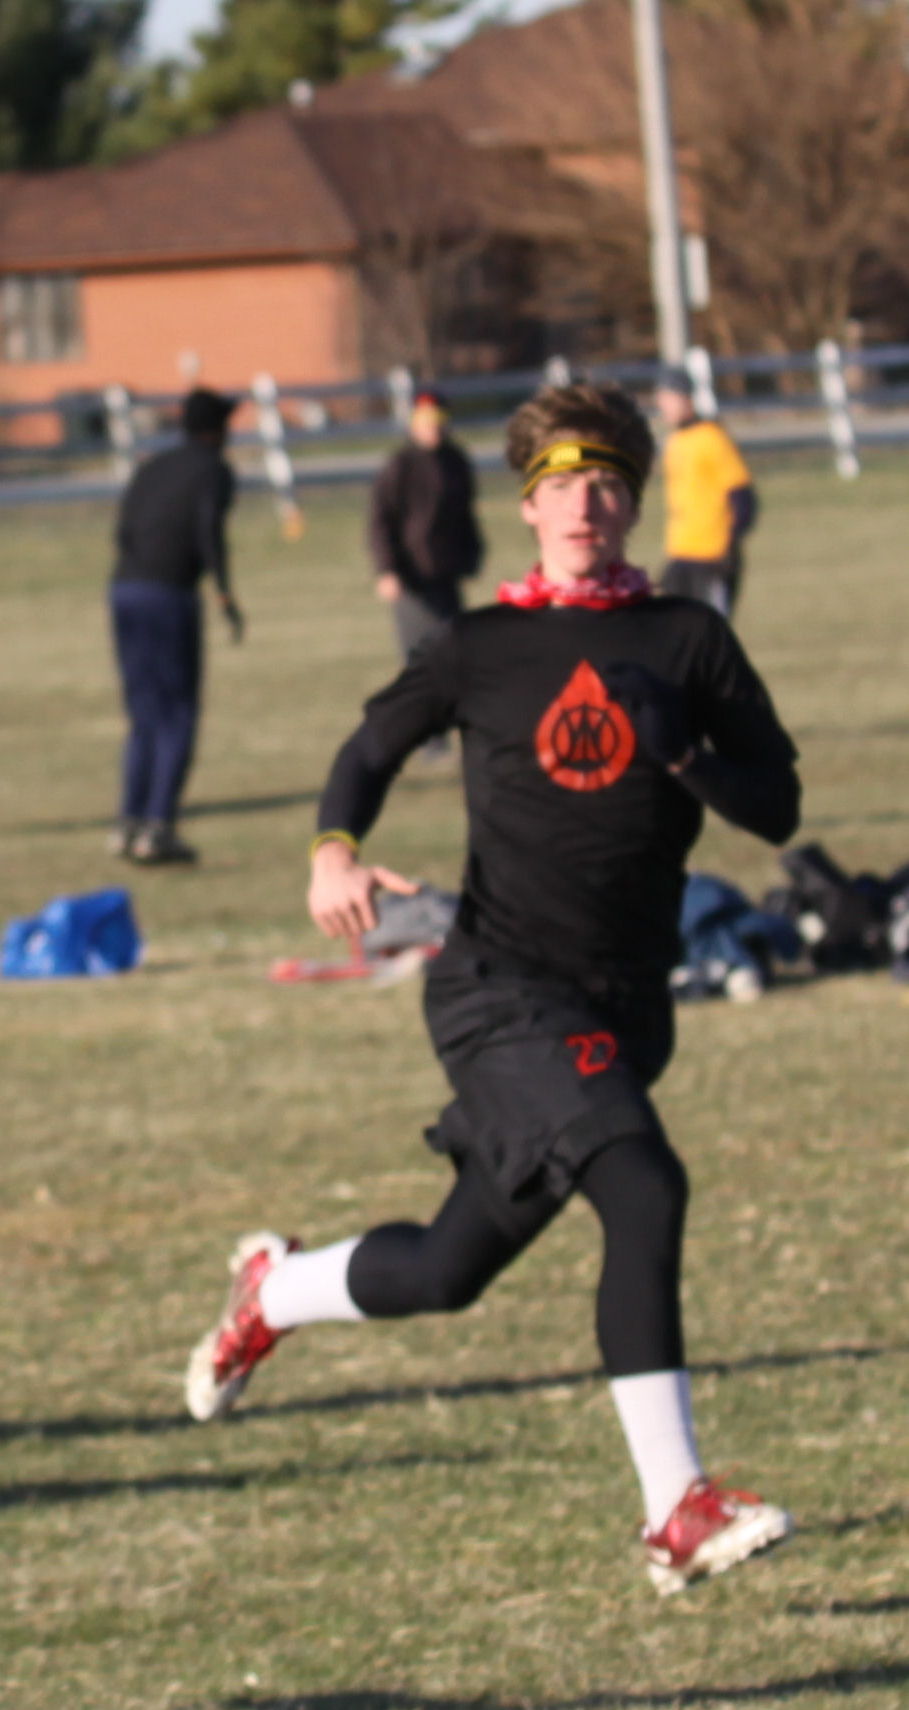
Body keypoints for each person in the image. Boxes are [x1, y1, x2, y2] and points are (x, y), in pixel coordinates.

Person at [185, 382, 801, 1595]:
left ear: (632, 504)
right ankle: (675, 1510)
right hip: (500, 989)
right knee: (646, 1190)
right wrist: (332, 851)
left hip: (625, 1009)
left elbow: (776, 807)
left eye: (608, 484)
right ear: (528, 507)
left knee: (446, 1269)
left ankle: (275, 1291)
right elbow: (368, 751)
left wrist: (685, 752)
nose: (586, 505)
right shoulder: (481, 645)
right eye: (562, 485)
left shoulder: (689, 639)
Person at [106, 387, 246, 866]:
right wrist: (223, 592)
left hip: (125, 590)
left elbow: (123, 530)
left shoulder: (151, 467)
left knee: (144, 713)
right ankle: (158, 827)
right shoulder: (214, 471)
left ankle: (128, 822)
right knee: (177, 715)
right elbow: (209, 530)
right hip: (169, 595)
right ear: (216, 430)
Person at [368, 388, 483, 759]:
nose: (433, 428)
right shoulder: (400, 466)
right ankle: (428, 739)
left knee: (456, 653)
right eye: (425, 421)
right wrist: (387, 570)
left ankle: (459, 730)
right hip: (412, 580)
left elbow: (466, 515)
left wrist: (472, 554)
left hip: (446, 575)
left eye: (439, 421)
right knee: (422, 660)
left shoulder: (456, 462)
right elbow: (380, 522)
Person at [655, 366, 757, 620]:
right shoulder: (674, 441)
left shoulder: (712, 438)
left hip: (712, 555)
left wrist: (729, 544)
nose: (662, 406)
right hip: (680, 553)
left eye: (667, 398)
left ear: (684, 397)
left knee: (709, 628)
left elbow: (743, 497)